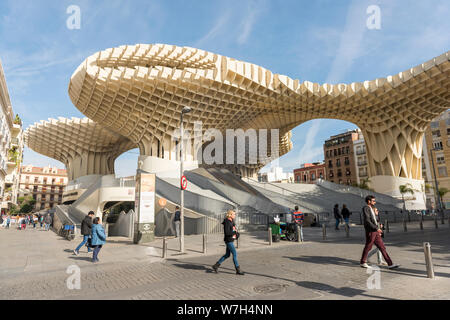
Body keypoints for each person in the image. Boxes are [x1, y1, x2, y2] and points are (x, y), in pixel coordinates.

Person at [360, 195, 399, 269]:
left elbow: (374, 219)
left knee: (382, 247)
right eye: (373, 200)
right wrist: (376, 228)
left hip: (375, 231)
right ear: (369, 201)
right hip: (371, 231)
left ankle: (390, 264)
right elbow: (367, 220)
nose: (375, 202)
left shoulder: (372, 208)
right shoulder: (366, 208)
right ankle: (363, 262)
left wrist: (379, 224)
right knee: (368, 246)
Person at [211, 210, 244, 275]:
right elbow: (227, 232)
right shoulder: (227, 222)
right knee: (234, 254)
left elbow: (234, 230)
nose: (235, 215)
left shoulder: (232, 222)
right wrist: (234, 232)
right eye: (234, 214)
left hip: (231, 240)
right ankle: (238, 270)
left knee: (227, 255)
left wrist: (237, 234)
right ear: (230, 215)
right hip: (228, 240)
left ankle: (216, 265)